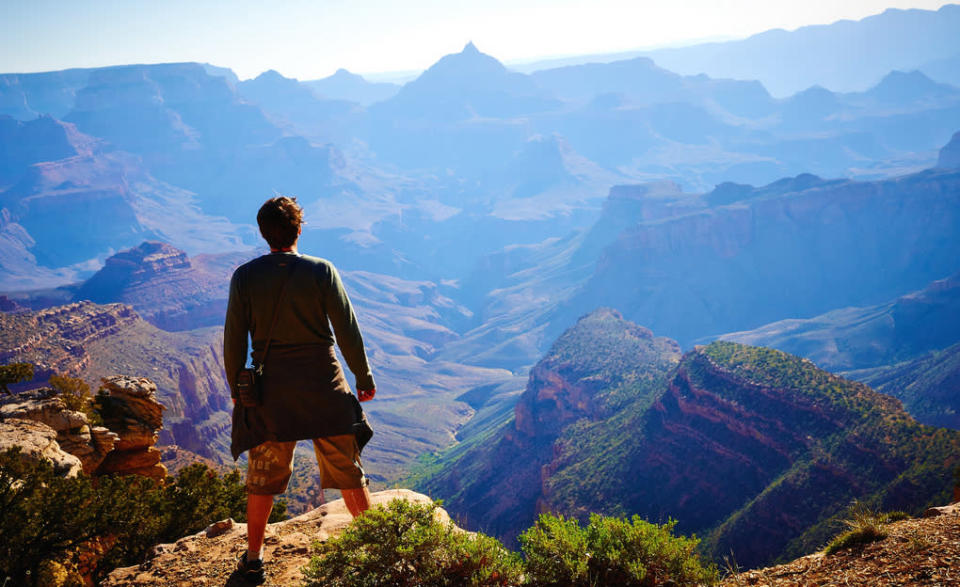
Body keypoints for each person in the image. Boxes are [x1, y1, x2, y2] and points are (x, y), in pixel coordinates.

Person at [224, 195, 376, 584]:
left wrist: (238, 392)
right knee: (348, 470)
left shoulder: (244, 277)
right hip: (325, 387)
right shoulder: (321, 271)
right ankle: (379, 549)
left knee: (263, 478)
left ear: (263, 233)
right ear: (299, 229)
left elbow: (234, 343)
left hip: (272, 394)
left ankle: (254, 557)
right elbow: (346, 329)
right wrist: (363, 376)